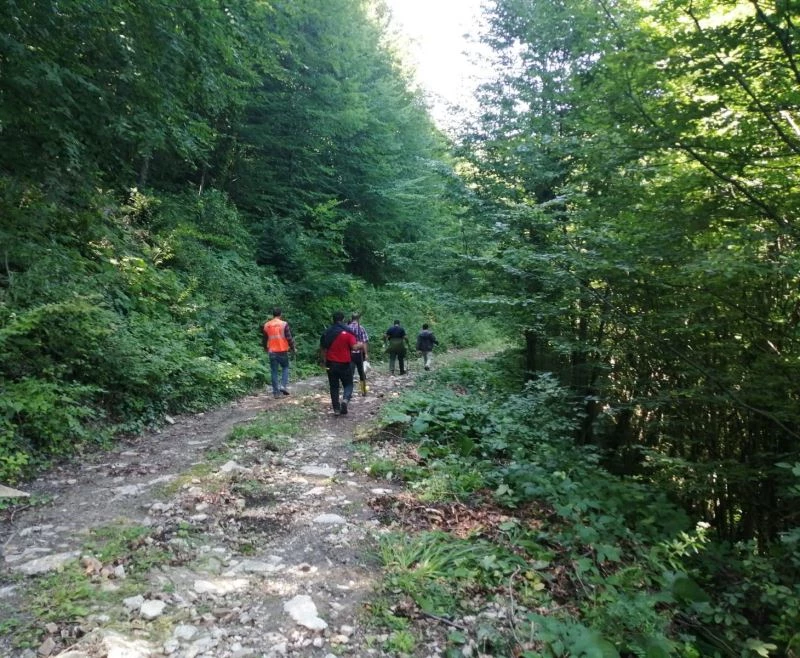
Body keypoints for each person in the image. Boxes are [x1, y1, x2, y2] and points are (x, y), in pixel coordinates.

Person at [320, 311, 365, 416]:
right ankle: (345, 400)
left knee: (334, 386)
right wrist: (361, 345)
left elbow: (322, 348)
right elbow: (354, 347)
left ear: (333, 320)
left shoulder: (327, 332)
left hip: (331, 364)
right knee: (348, 384)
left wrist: (323, 361)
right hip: (345, 363)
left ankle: (336, 409)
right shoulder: (348, 332)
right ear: (343, 319)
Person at [262, 307, 296, 398]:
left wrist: (265, 348)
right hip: (282, 350)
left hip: (272, 351)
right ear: (280, 314)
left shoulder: (267, 325)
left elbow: (264, 339)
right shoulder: (284, 324)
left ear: (273, 314)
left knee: (274, 371)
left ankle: (276, 393)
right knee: (285, 367)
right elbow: (289, 338)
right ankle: (283, 386)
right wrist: (293, 348)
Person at [348, 312, 370, 396]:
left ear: (352, 318)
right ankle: (363, 391)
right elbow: (364, 342)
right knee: (362, 373)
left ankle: (349, 392)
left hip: (350, 353)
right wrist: (366, 353)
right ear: (358, 319)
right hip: (360, 354)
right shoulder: (361, 328)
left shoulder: (347, 328)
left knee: (350, 373)